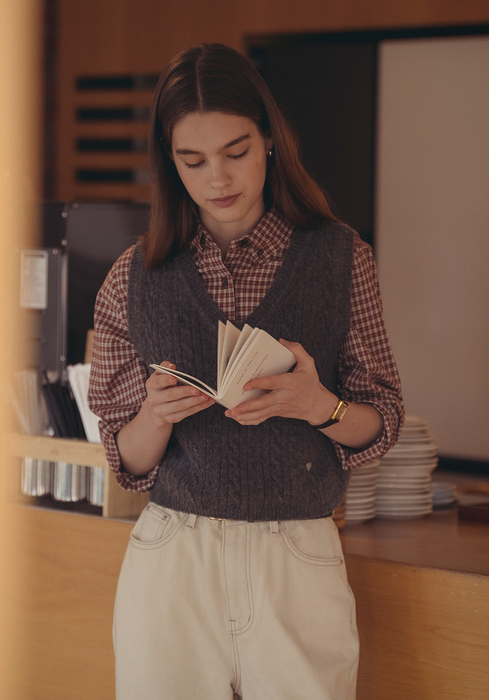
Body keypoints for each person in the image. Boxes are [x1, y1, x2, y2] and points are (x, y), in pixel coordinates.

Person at [88, 43, 404, 700]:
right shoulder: (132, 277)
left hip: (297, 551)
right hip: (173, 555)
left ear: (267, 139)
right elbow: (125, 459)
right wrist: (154, 414)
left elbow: (382, 420)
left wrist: (320, 405)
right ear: (168, 164)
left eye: (235, 152)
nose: (217, 178)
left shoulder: (342, 259)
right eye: (192, 160)